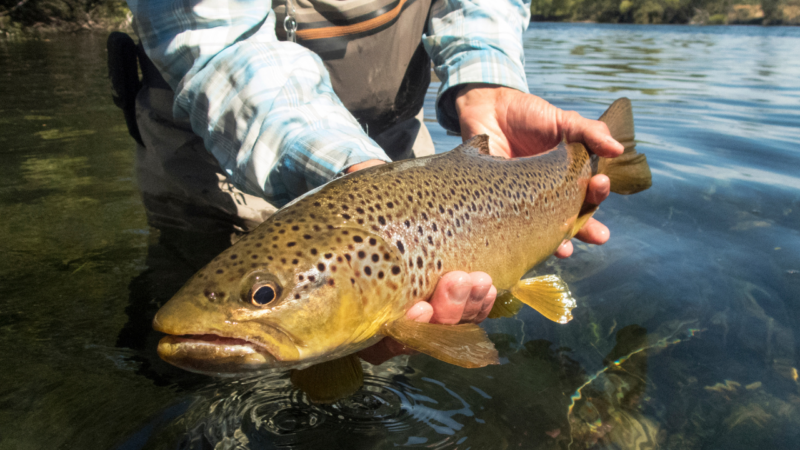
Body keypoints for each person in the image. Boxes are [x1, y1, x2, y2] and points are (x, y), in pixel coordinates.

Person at [122, 0, 622, 364]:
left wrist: (486, 85)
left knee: (386, 359)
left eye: (263, 297)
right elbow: (219, 42)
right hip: (216, 141)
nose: (261, 300)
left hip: (397, 150)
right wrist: (358, 172)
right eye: (264, 295)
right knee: (183, 362)